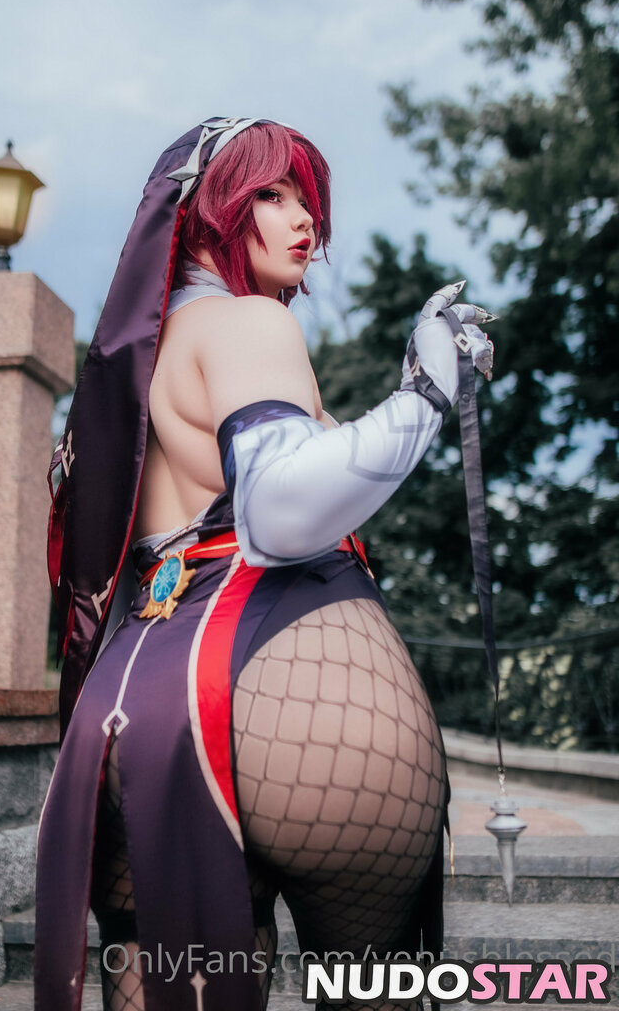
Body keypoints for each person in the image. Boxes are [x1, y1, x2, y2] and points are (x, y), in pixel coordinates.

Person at [35, 117, 494, 1011]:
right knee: (368, 989)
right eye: (272, 196)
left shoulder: (136, 368)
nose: (305, 220)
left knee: (161, 979)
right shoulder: (248, 324)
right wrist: (424, 396)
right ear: (209, 212)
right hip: (303, 690)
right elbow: (282, 506)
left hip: (137, 708)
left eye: (307, 200)